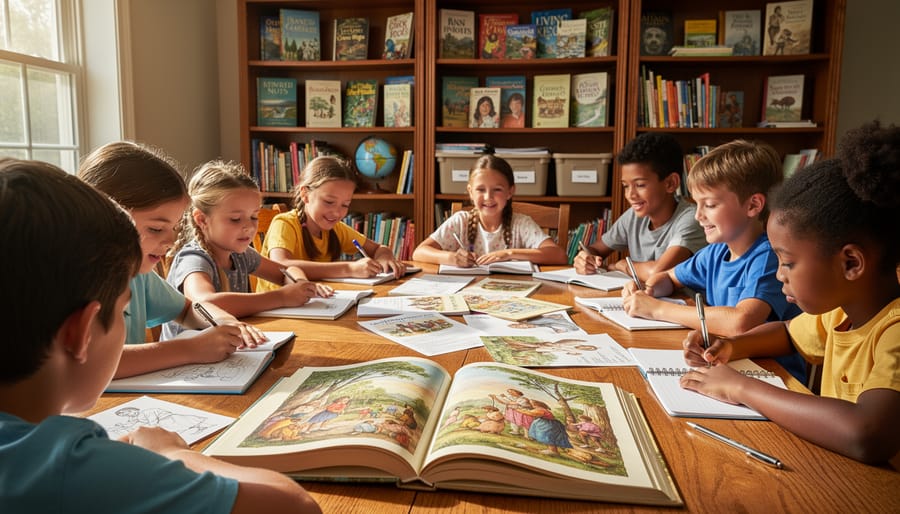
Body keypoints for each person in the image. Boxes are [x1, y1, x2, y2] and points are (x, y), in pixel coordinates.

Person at [0, 158, 321, 513]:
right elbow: (294, 505)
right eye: (123, 307)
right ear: (81, 333)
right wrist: (171, 454)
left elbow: (190, 308)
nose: (169, 239)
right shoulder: (62, 466)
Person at [680, 121, 900, 465]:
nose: (779, 275)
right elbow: (786, 333)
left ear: (851, 263)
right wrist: (731, 346)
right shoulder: (840, 312)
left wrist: (741, 387)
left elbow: (867, 435)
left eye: (787, 262)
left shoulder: (895, 330)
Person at [78, 141, 267, 379]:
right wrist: (189, 349)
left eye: (175, 227)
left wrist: (223, 320)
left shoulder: (137, 274)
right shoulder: (76, 280)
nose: (170, 242)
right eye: (157, 229)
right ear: (104, 220)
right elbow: (91, 364)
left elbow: (187, 309)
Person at [622, 139, 806, 381]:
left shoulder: (768, 257)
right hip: (727, 368)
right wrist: (650, 289)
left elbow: (741, 322)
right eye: (697, 204)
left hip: (773, 378)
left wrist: (657, 309)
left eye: (709, 205)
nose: (698, 215)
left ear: (753, 205)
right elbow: (668, 277)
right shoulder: (716, 252)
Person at [165, 159, 329, 336]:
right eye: (235, 219)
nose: (250, 227)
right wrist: (282, 297)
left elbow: (287, 270)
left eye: (254, 217)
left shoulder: (239, 254)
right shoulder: (194, 259)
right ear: (202, 220)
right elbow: (204, 303)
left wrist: (300, 284)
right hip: (188, 359)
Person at [256, 156, 406, 289]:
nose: (336, 212)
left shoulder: (336, 229)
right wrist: (349, 268)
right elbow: (281, 265)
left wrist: (384, 258)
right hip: (278, 312)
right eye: (329, 202)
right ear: (305, 194)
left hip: (315, 306)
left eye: (345, 205)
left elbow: (380, 248)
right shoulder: (284, 224)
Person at [574, 133, 706, 281]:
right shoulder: (633, 216)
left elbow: (658, 272)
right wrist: (585, 258)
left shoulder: (693, 219)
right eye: (625, 186)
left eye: (640, 185)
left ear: (670, 183)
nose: (630, 194)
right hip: (644, 300)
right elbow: (596, 249)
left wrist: (622, 265)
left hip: (683, 303)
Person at [413, 154, 567, 266]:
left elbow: (559, 256)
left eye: (497, 190)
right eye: (480, 189)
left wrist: (509, 254)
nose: (488, 197)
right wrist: (452, 258)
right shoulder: (460, 221)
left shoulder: (521, 224)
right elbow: (419, 252)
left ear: (510, 191)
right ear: (470, 192)